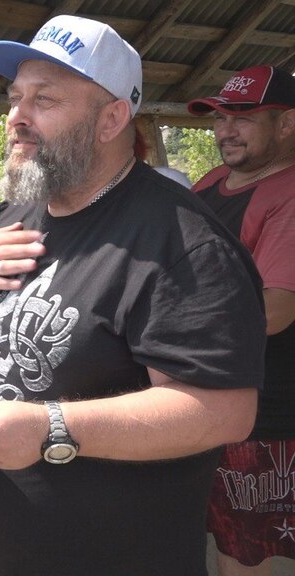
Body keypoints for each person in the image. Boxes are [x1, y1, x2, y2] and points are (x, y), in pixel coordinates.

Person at [0, 15, 267, 575]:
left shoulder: (179, 243)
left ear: (111, 118)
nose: (17, 119)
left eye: (45, 100)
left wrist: (51, 428)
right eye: (15, 98)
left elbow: (223, 410)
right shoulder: (9, 220)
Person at [187, 65, 295, 576]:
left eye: (243, 119)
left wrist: (168, 326)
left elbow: (274, 311)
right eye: (221, 117)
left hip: (267, 420)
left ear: (287, 123)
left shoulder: (289, 193)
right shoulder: (212, 182)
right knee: (218, 550)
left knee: (251, 561)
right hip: (206, 408)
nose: (225, 130)